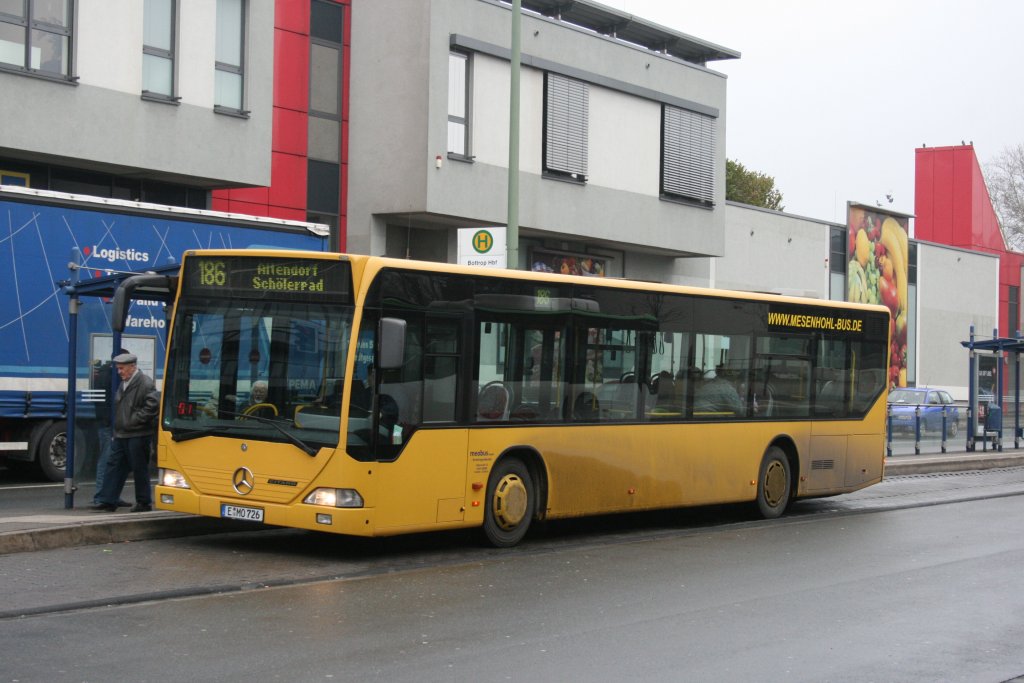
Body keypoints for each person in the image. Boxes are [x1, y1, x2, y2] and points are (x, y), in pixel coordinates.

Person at [90, 353, 159, 512]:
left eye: (122, 368)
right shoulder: (125, 383)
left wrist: (134, 420)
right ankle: (108, 500)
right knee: (114, 466)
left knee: (139, 468)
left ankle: (143, 502)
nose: (119, 372)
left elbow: (152, 406)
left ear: (132, 367)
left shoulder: (144, 382)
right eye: (118, 368)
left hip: (138, 433)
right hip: (123, 433)